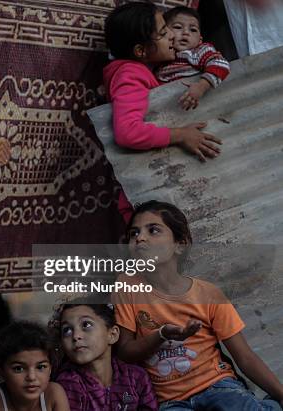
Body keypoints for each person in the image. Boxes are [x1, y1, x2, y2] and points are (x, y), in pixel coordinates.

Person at [114, 200, 283, 410]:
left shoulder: (208, 294)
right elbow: (125, 352)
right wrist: (162, 334)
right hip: (170, 401)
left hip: (218, 385)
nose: (140, 238)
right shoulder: (127, 286)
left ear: (180, 244)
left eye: (153, 230)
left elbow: (245, 357)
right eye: (134, 233)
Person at [103, 2, 222, 162]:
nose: (172, 35)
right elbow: (128, 133)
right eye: (163, 33)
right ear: (141, 51)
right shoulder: (129, 76)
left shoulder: (150, 69)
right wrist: (181, 135)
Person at [50, 303, 157, 411]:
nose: (76, 336)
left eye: (86, 325)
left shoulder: (136, 377)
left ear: (112, 335)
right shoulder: (69, 384)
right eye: (67, 330)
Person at [0, 321, 70, 411]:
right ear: (0, 372)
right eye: (18, 369)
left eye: (40, 367)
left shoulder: (54, 394)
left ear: (50, 368)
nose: (31, 377)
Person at [156, 7, 231, 111]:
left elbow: (220, 64)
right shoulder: (161, 58)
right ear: (165, 33)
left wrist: (202, 86)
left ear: (200, 39)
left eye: (193, 30)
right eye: (178, 27)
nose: (186, 32)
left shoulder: (200, 51)